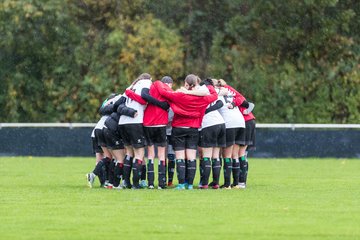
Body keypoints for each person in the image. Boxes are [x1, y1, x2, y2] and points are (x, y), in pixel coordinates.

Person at [157, 74, 218, 190]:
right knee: (191, 157)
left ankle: (181, 184)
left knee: (179, 157)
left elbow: (164, 92)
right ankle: (190, 184)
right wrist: (207, 86)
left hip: (178, 128)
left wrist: (158, 83)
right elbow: (214, 95)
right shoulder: (202, 98)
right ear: (196, 84)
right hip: (193, 128)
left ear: (185, 83)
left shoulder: (179, 95)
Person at [117, 73, 153, 189]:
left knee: (128, 153)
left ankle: (126, 182)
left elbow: (118, 105)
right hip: (135, 121)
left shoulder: (130, 87)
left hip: (122, 122)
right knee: (139, 154)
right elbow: (144, 98)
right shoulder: (147, 82)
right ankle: (136, 184)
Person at [197, 79, 227, 189]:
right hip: (221, 123)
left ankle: (204, 183)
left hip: (209, 124)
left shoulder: (201, 89)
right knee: (216, 155)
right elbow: (220, 103)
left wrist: (206, 111)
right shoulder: (213, 91)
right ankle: (216, 183)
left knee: (207, 155)